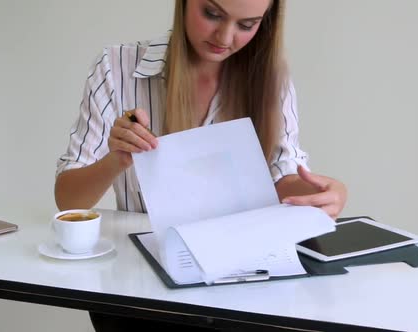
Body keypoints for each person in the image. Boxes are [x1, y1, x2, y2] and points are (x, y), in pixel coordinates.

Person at [55, 0, 347, 330]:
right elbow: (69, 200)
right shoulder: (117, 67)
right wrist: (115, 160)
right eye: (211, 14)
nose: (224, 36)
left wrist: (324, 193)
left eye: (246, 25)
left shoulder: (270, 79)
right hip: (146, 292)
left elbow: (285, 175)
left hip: (243, 284)